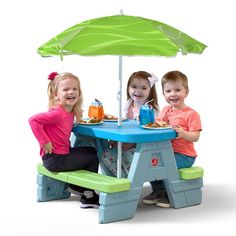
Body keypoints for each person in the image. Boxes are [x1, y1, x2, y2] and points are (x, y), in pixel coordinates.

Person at [29, 72, 99, 209]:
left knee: (90, 150)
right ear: (56, 94)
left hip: (59, 155)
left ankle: (78, 187)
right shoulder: (57, 113)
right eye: (66, 89)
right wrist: (45, 141)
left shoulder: (68, 111)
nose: (71, 92)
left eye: (74, 89)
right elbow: (33, 120)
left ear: (79, 92)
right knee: (92, 158)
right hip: (55, 159)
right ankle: (88, 195)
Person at [143, 70, 202, 208]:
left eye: (177, 90)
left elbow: (196, 136)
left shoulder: (191, 114)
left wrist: (184, 133)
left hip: (184, 155)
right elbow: (156, 124)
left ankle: (168, 193)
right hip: (165, 151)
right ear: (163, 94)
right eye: (168, 91)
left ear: (186, 92)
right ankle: (158, 190)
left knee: (162, 165)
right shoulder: (165, 111)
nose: (173, 94)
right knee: (149, 163)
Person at [102, 71, 159, 177]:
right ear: (128, 88)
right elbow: (123, 125)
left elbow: (151, 132)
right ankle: (123, 179)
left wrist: (132, 142)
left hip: (141, 147)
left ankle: (132, 183)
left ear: (150, 91)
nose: (138, 91)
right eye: (134, 87)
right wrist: (116, 139)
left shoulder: (151, 109)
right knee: (106, 154)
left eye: (143, 88)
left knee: (128, 156)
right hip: (125, 144)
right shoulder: (127, 105)